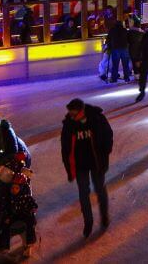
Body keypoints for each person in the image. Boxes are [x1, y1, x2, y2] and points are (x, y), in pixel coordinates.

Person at [61, 98, 113, 238]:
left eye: (74, 113)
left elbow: (108, 134)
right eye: (70, 113)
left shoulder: (96, 118)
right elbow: (65, 148)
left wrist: (105, 152)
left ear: (81, 110)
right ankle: (88, 222)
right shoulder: (69, 124)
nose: (72, 116)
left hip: (96, 163)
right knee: (83, 193)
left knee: (100, 189)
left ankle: (104, 216)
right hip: (80, 165)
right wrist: (68, 167)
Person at [0, 155, 38, 257]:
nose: (14, 190)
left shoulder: (26, 197)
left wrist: (32, 210)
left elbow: (33, 204)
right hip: (13, 215)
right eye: (13, 188)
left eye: (16, 188)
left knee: (30, 222)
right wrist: (6, 215)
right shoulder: (9, 196)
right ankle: (4, 246)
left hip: (24, 214)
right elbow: (5, 206)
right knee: (4, 225)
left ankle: (30, 242)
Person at [107, 18, 132, 83]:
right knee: (125, 64)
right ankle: (127, 78)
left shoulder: (112, 30)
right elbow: (129, 39)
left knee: (115, 64)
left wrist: (109, 47)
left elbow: (108, 40)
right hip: (124, 48)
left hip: (115, 49)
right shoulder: (124, 30)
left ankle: (114, 78)